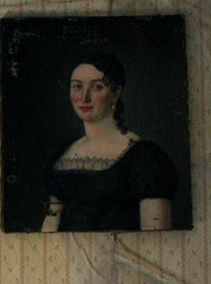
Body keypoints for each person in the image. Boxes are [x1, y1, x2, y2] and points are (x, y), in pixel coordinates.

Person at [42, 51, 178, 232]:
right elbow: (50, 226)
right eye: (77, 86)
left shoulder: (145, 156)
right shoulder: (62, 154)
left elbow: (156, 236)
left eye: (97, 87)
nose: (84, 97)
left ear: (116, 93)